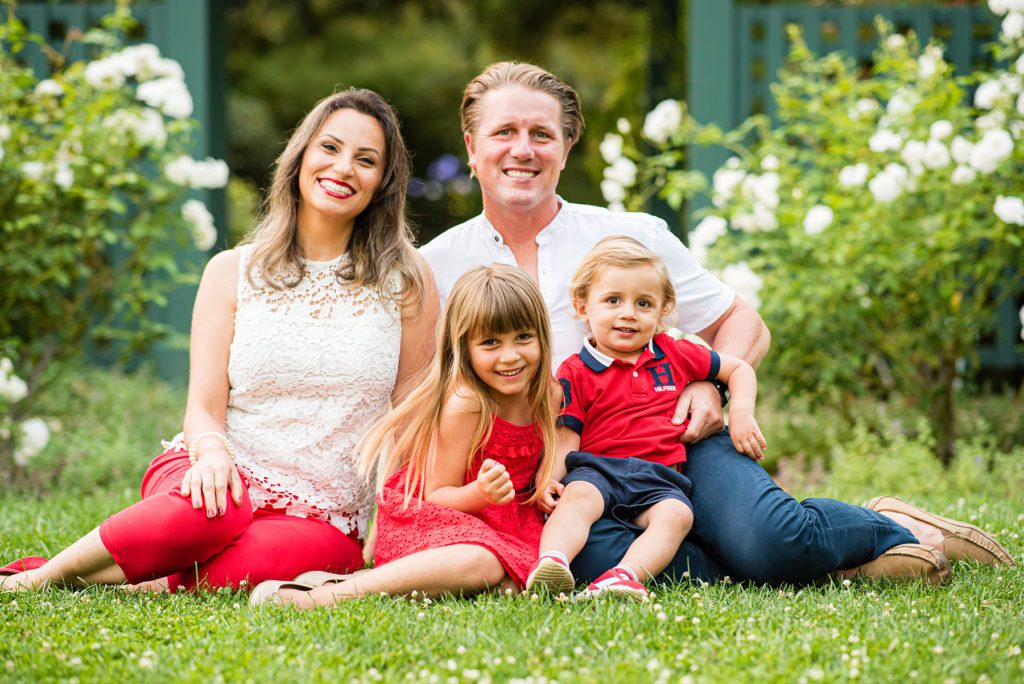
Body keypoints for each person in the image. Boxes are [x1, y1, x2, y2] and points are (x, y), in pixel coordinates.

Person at [420, 61, 1014, 586]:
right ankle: (827, 562)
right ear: (471, 147)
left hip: (673, 440)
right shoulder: (436, 266)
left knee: (768, 541)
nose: (522, 149)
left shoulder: (630, 236)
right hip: (572, 469)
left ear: (567, 147)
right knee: (601, 564)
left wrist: (710, 384)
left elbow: (743, 323)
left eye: (541, 134)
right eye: (504, 133)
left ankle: (885, 523)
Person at [0, 89, 439, 593]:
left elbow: (412, 413)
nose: (343, 168)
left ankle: (119, 581)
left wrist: (395, 518)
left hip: (326, 513)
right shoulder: (231, 271)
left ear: (383, 183)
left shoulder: (407, 279)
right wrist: (212, 457)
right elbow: (203, 409)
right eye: (330, 148)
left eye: (366, 160)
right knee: (209, 514)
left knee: (258, 560)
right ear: (301, 157)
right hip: (217, 467)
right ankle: (37, 580)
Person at [249, 264, 559, 606]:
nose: (510, 356)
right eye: (490, 343)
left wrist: (549, 481)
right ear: (464, 348)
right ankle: (326, 596)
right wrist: (481, 492)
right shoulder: (468, 404)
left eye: (523, 338)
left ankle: (353, 581)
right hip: (433, 519)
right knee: (480, 563)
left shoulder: (547, 393)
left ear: (542, 335)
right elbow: (437, 494)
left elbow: (555, 452)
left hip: (507, 524)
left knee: (516, 583)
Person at [527, 236, 766, 602]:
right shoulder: (574, 371)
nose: (628, 313)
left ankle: (625, 577)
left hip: (661, 476)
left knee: (676, 515)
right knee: (576, 499)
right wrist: (548, 480)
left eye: (643, 303)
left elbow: (739, 370)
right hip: (597, 471)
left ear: (662, 311)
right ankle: (552, 562)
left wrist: (742, 412)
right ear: (581, 306)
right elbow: (567, 438)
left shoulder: (674, 353)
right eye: (612, 301)